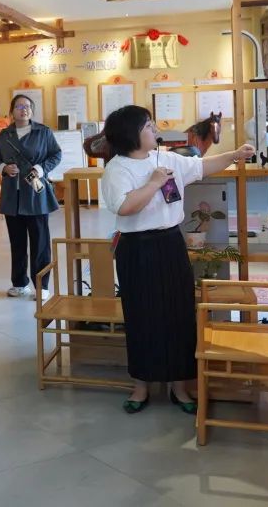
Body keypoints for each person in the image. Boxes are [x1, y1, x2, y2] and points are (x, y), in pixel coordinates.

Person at [99, 105, 255, 414]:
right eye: (148, 126)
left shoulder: (166, 158)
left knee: (178, 312)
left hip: (170, 243)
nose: (155, 129)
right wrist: (154, 183)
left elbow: (202, 167)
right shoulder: (116, 169)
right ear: (131, 134)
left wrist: (235, 154)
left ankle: (179, 387)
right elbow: (125, 207)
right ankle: (141, 385)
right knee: (141, 315)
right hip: (136, 248)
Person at [0, 94, 62, 299]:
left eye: (28, 106)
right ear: (12, 111)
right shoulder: (5, 135)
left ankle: (42, 285)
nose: (24, 110)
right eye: (20, 106)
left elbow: (56, 154)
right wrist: (3, 168)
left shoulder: (43, 132)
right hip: (12, 196)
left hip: (35, 194)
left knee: (40, 243)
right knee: (17, 242)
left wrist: (41, 168)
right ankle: (19, 283)